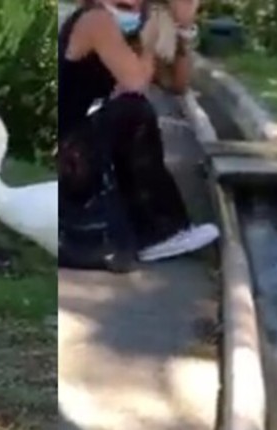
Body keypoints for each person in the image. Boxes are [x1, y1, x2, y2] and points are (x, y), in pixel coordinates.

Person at [58, 0, 219, 270]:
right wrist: (150, 40)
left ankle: (155, 229)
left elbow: (176, 85)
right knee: (133, 111)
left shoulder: (135, 24)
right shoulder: (97, 20)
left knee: (130, 112)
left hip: (83, 152)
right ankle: (158, 233)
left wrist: (183, 28)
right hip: (67, 158)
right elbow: (136, 83)